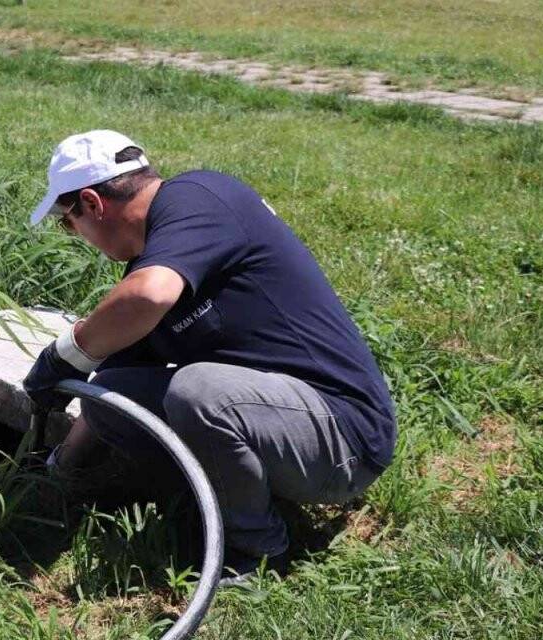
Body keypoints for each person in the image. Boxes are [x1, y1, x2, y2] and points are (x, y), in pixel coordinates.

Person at [21, 130, 396, 583]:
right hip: (283, 426)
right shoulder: (168, 256)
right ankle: (210, 502)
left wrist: (66, 355)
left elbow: (145, 296)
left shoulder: (198, 199)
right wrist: (57, 470)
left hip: (344, 438)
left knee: (197, 391)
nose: (73, 234)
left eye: (67, 221)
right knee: (113, 396)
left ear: (92, 203)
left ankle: (255, 552)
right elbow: (109, 386)